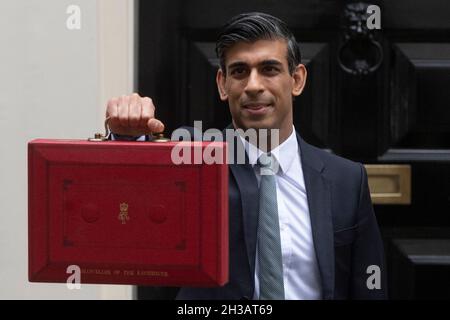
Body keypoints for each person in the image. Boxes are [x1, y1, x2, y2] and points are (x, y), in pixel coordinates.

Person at [105, 12, 387, 300]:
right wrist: (128, 138)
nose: (253, 85)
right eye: (240, 71)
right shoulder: (193, 159)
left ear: (297, 79)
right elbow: (123, 216)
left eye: (269, 69)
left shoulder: (347, 180)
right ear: (222, 84)